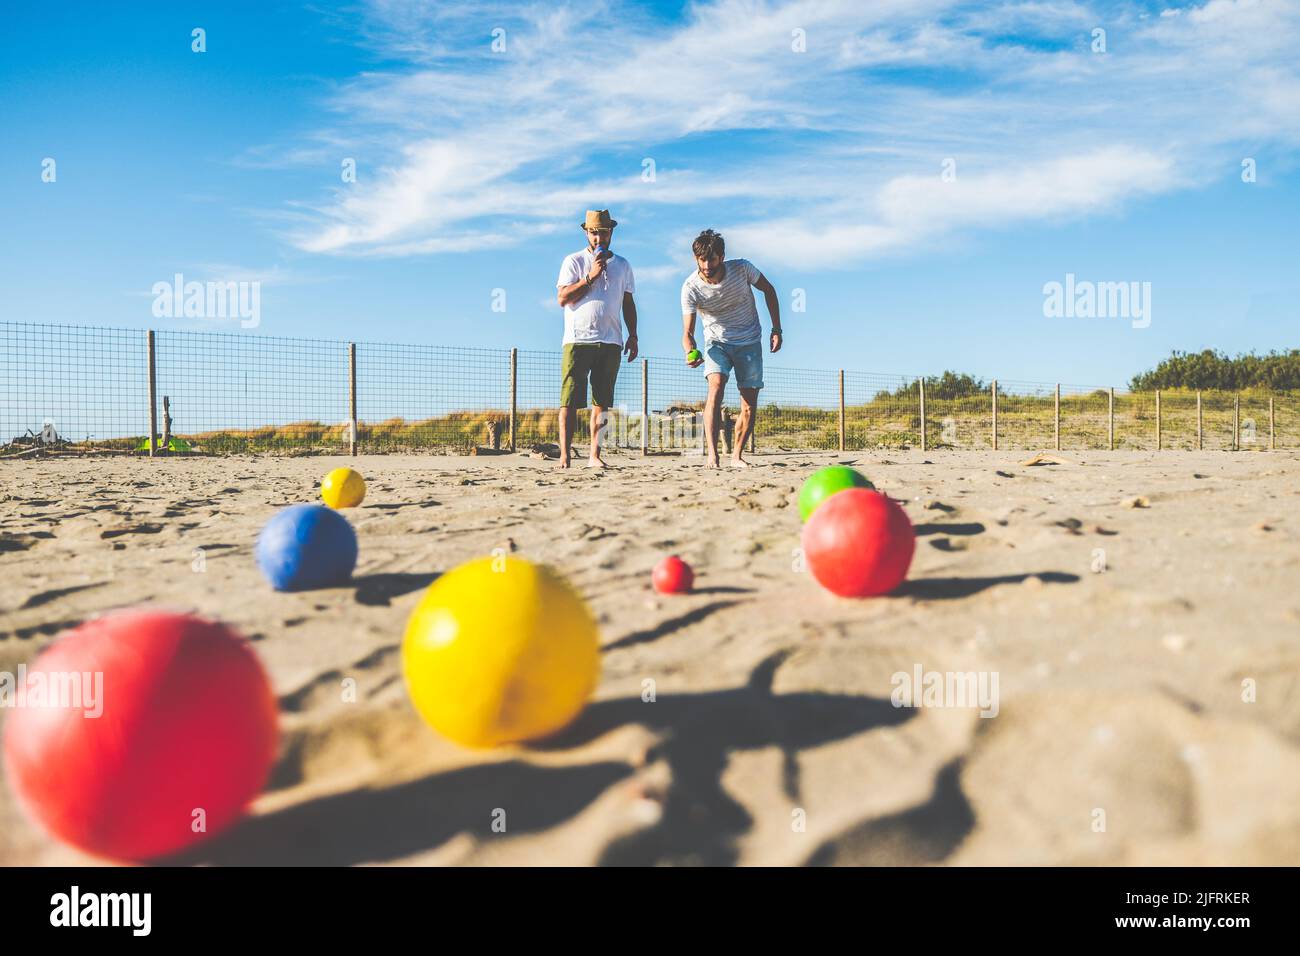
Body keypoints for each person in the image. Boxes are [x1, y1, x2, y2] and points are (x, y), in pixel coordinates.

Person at [680, 229, 782, 468]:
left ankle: (736, 455)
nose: (706, 265)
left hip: (749, 341)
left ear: (722, 256)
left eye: (711, 259)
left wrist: (776, 329)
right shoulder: (690, 287)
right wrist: (689, 351)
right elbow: (687, 333)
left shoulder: (742, 269)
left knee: (748, 403)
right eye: (701, 260)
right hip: (717, 343)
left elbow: (769, 290)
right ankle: (713, 456)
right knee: (715, 387)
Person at [555, 209, 639, 468]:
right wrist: (590, 276)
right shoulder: (574, 261)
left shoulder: (623, 265)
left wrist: (633, 335)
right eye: (593, 233)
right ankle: (565, 456)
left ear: (611, 232)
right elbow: (562, 298)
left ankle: (595, 455)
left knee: (601, 403)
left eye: (603, 232)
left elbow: (628, 302)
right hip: (578, 340)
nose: (598, 237)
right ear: (586, 233)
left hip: (611, 340)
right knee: (569, 401)